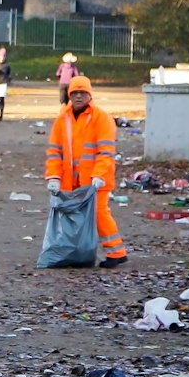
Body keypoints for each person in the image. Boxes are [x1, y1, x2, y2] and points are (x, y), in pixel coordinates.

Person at [45, 75, 126, 268]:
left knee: (98, 213)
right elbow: (55, 151)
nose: (79, 96)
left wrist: (98, 175)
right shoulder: (62, 119)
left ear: (90, 95)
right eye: (75, 93)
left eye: (83, 93)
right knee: (73, 219)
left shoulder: (101, 118)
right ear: (69, 95)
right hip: (70, 182)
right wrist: (53, 176)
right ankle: (75, 253)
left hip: (95, 181)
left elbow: (106, 152)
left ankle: (117, 251)